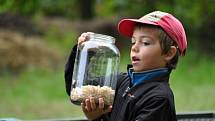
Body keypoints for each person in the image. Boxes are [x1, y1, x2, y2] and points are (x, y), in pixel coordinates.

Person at [64, 11, 187, 121]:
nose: (134, 47)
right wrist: (85, 51)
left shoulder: (158, 99)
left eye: (145, 42)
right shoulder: (121, 81)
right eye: (133, 41)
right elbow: (77, 89)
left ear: (169, 53)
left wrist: (96, 119)